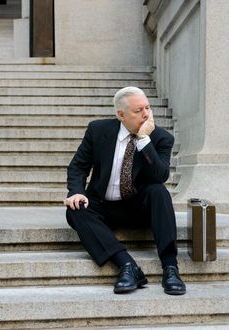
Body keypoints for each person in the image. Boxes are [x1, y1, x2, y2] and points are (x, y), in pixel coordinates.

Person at [63, 86, 186, 295]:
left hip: (138, 207)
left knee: (159, 192)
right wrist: (76, 191)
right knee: (75, 209)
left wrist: (144, 140)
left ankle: (170, 267)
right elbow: (78, 166)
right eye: (138, 110)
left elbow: (160, 175)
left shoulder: (161, 138)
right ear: (121, 114)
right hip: (103, 207)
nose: (146, 114)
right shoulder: (98, 130)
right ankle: (127, 266)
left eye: (148, 107)